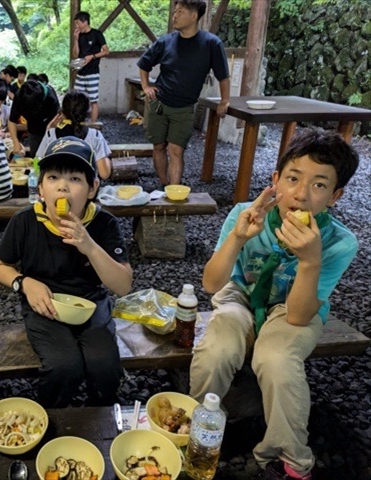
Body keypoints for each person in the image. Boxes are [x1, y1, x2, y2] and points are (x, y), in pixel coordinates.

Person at [189, 129, 359, 480]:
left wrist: (310, 261)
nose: (300, 194)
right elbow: (211, 284)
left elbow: (298, 316)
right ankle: (194, 424)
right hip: (241, 294)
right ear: (276, 179)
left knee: (277, 356)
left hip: (294, 308)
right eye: (293, 179)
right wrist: (238, 237)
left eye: (319, 185)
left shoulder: (339, 243)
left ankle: (291, 457)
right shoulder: (244, 213)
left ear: (335, 195)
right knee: (219, 343)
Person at [0, 137, 133, 407]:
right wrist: (23, 282)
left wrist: (89, 246)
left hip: (92, 305)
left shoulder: (103, 223)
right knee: (63, 365)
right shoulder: (25, 221)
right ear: (41, 188)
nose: (62, 186)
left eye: (75, 179)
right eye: (53, 177)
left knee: (104, 365)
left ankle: (100, 416)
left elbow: (123, 285)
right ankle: (53, 418)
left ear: (92, 189)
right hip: (44, 306)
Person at [137, 0, 230, 187]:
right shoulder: (165, 41)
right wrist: (146, 86)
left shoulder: (211, 43)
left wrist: (224, 101)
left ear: (194, 16)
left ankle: (174, 190)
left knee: (176, 150)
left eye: (180, 12)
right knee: (159, 146)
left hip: (184, 108)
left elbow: (223, 76)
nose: (175, 16)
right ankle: (164, 185)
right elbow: (143, 64)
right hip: (159, 103)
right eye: (175, 11)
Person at [36, 90, 112, 179]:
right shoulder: (95, 136)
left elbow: (38, 164)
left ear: (62, 113)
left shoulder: (51, 134)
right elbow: (105, 174)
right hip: (84, 190)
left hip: (57, 189)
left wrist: (48, 130)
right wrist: (107, 158)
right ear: (87, 113)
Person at [8, 79, 60, 159]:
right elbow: (12, 121)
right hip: (33, 130)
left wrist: (47, 139)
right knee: (35, 157)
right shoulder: (20, 95)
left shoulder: (50, 98)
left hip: (50, 129)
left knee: (50, 157)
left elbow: (55, 121)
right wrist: (16, 142)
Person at [72, 11, 109, 123]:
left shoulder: (97, 34)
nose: (76, 26)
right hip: (80, 73)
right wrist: (76, 39)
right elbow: (75, 54)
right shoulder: (79, 35)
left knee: (93, 100)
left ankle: (93, 125)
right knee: (77, 99)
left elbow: (106, 51)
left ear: (85, 22)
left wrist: (92, 56)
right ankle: (78, 123)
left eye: (78, 23)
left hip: (92, 73)